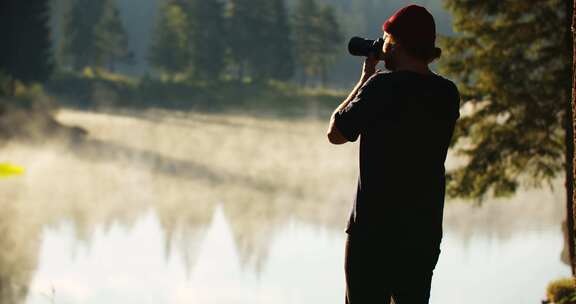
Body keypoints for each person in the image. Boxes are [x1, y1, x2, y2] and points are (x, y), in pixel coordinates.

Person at [325, 5, 461, 304]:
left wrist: (364, 79)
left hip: (373, 232)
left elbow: (336, 133)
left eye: (387, 39)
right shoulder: (447, 93)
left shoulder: (380, 87)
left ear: (395, 44)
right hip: (422, 232)